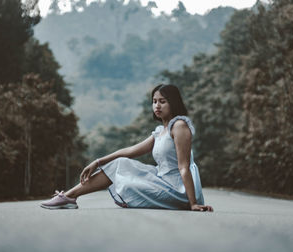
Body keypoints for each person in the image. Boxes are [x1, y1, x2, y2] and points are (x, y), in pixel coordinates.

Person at [41, 84, 213, 212]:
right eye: (154, 102)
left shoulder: (180, 126)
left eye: (162, 101)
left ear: (173, 103)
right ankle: (70, 196)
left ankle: (68, 197)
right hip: (163, 182)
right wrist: (98, 161)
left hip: (178, 189)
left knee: (124, 174)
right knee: (120, 162)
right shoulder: (161, 131)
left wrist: (193, 204)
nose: (157, 106)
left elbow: (184, 167)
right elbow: (130, 151)